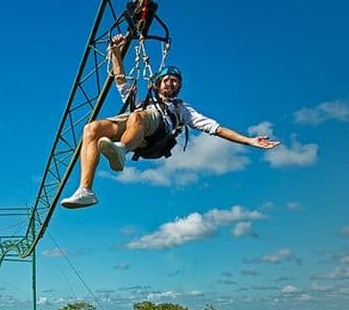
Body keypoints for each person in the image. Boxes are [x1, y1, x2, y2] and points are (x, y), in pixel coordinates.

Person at [61, 34, 281, 209]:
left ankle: (121, 150)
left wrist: (249, 141)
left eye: (174, 81)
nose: (169, 83)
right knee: (92, 128)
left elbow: (217, 129)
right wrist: (115, 52)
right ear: (157, 84)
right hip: (137, 123)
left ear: (179, 86)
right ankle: (86, 190)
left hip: (155, 135)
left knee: (138, 116)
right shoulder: (141, 100)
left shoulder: (182, 109)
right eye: (165, 80)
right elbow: (120, 78)